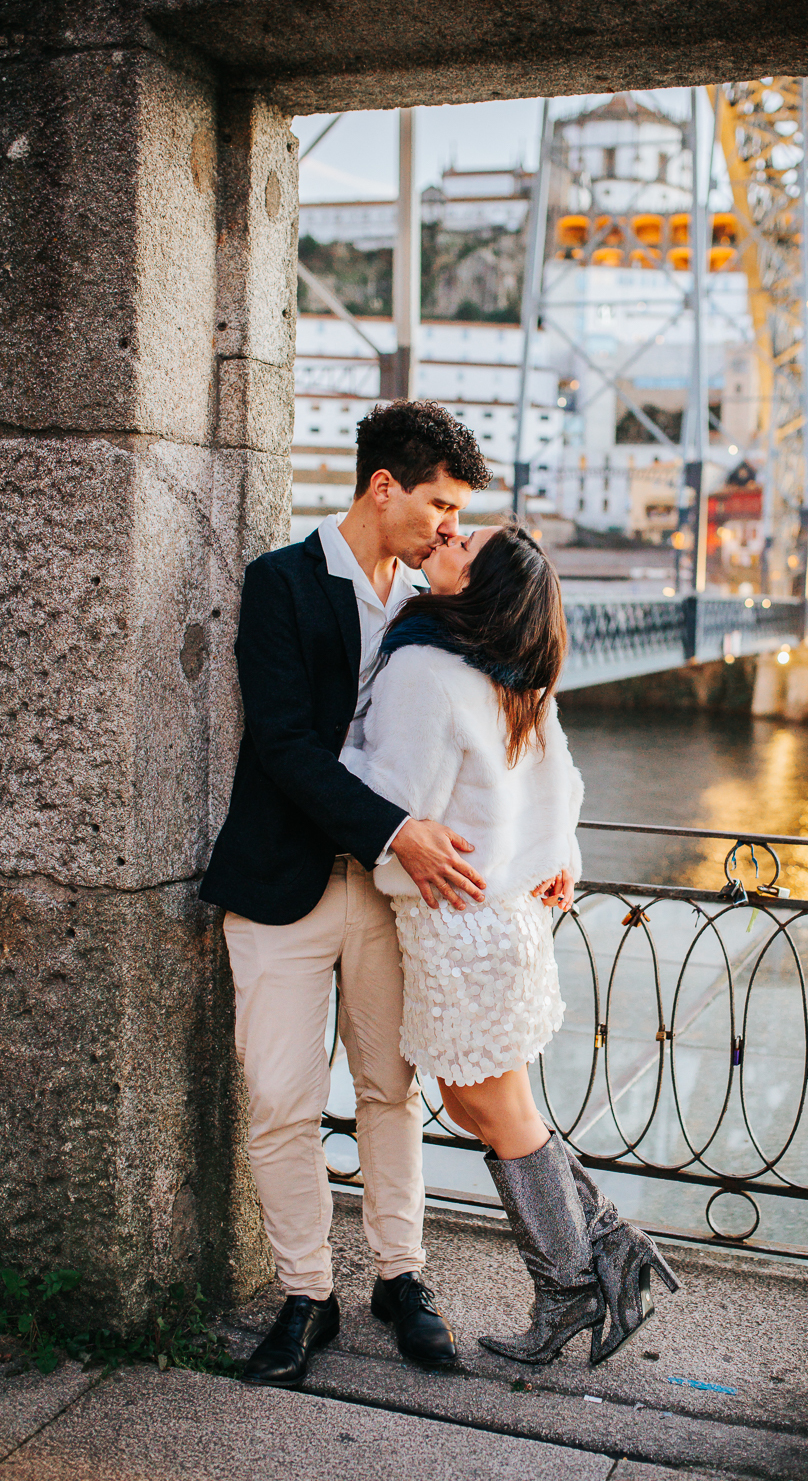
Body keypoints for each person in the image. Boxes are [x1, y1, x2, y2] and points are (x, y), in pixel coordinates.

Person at [200, 401, 493, 1388]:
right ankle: (306, 1294)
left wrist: (547, 849)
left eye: (457, 514)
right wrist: (396, 829)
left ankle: (400, 1278)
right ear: (383, 486)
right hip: (282, 882)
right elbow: (283, 744)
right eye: (440, 506)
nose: (449, 529)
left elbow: (499, 720)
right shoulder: (280, 582)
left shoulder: (433, 601)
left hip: (389, 896)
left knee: (390, 1093)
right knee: (281, 1099)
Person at [347, 521, 680, 1364]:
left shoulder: (426, 667)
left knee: (496, 1111)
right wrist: (557, 855)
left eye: (467, 545)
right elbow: (563, 785)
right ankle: (609, 1248)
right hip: (502, 925)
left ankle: (571, 1285)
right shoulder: (514, 676)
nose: (448, 538)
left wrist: (326, 755)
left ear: (478, 586)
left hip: (459, 924)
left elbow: (392, 796)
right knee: (479, 1107)